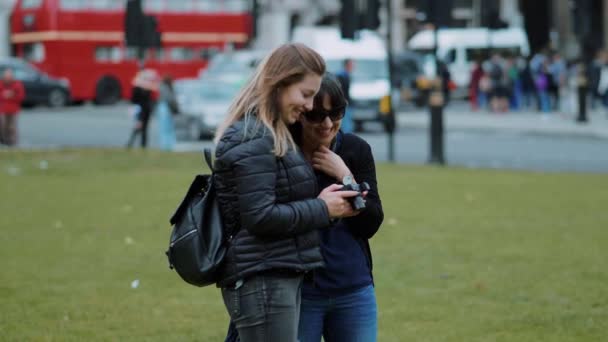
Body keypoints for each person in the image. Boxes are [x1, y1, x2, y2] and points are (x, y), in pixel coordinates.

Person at [213, 43, 360, 342]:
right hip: (264, 280)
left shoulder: (271, 133)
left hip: (275, 275)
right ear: (279, 84)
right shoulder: (254, 137)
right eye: (306, 94)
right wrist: (322, 208)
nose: (309, 105)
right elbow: (260, 216)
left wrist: (330, 207)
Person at [126, 69, 157, 149]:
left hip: (144, 110)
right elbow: (135, 100)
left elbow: (134, 100)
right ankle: (133, 144)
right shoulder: (140, 88)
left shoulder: (144, 88)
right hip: (141, 110)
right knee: (140, 128)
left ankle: (141, 145)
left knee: (142, 129)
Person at [0, 68, 25, 146]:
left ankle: (13, 143)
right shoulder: (1, 84)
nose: (8, 78)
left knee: (12, 127)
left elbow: (21, 96)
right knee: (3, 125)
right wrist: (4, 95)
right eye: (6, 76)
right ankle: (4, 140)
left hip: (14, 109)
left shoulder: (17, 84)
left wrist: (12, 95)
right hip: (3, 109)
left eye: (9, 76)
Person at [156, 75, 178, 151]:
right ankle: (167, 146)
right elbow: (170, 99)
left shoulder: (162, 87)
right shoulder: (166, 88)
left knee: (165, 128)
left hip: (163, 107)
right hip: (166, 108)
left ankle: (165, 146)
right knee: (167, 128)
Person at [335, 59, 354, 133]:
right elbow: (341, 90)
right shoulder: (341, 75)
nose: (353, 66)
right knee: (346, 125)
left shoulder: (346, 75)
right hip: (344, 103)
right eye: (351, 64)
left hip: (347, 102)